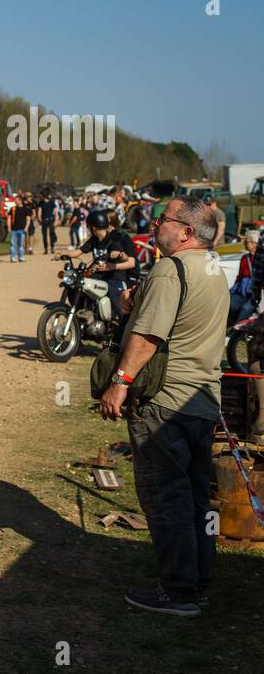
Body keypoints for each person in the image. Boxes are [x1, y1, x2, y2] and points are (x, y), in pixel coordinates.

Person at [99, 195, 230, 616]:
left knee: (165, 496)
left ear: (187, 231)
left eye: (164, 219)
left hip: (165, 403)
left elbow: (149, 337)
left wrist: (119, 383)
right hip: (202, 402)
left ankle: (178, 591)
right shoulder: (212, 270)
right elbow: (183, 321)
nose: (156, 224)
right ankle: (197, 578)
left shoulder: (169, 270)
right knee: (194, 497)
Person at [55, 210, 138, 309]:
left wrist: (118, 256)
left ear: (93, 227)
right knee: (76, 285)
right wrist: (62, 255)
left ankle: (123, 322)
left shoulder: (113, 239)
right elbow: (78, 251)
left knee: (114, 295)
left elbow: (126, 258)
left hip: (114, 277)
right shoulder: (94, 239)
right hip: (98, 275)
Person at [229, 229, 258, 323]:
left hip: (257, 292)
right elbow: (240, 276)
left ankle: (237, 330)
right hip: (244, 288)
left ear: (253, 243)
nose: (244, 244)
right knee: (231, 304)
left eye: (246, 242)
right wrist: (233, 289)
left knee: (245, 309)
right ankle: (231, 325)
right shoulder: (245, 258)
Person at [7, 194, 29, 262]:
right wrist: (9, 227)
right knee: (13, 244)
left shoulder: (25, 209)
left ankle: (21, 257)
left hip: (22, 229)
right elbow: (9, 218)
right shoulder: (13, 209)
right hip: (14, 229)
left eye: (16, 200)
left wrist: (26, 227)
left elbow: (28, 219)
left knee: (21, 244)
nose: (15, 201)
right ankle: (13, 257)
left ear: (20, 201)